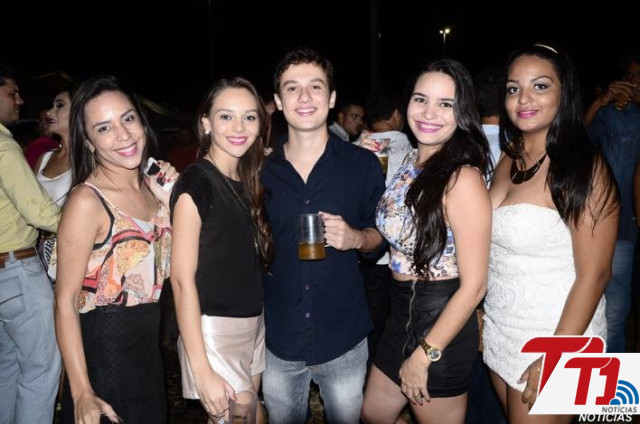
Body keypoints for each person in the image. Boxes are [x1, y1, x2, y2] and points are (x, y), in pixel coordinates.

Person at [483, 43, 619, 423]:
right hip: (502, 329)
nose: (523, 98)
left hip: (558, 337)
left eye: (540, 86)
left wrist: (557, 354)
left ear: (565, 93)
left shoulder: (583, 166)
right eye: (513, 88)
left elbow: (596, 275)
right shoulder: (510, 154)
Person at [361, 58, 492, 424]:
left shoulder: (462, 178)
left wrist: (424, 355)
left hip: (441, 325)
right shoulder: (410, 161)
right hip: (400, 314)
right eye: (421, 99)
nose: (429, 112)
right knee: (373, 414)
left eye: (445, 104)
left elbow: (475, 285)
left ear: (461, 112)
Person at [260, 47, 386, 423]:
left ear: (331, 99)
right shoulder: (260, 172)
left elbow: (381, 236)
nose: (304, 97)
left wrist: (357, 238)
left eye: (315, 86)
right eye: (292, 88)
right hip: (278, 337)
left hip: (343, 336)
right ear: (278, 101)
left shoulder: (362, 164)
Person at [51, 75, 178, 423]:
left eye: (128, 118)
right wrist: (81, 392)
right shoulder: (87, 202)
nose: (123, 134)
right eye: (104, 128)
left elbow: (173, 273)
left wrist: (172, 202)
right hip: (103, 365)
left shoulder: (154, 192)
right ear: (88, 142)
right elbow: (64, 301)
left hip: (149, 366)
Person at [170, 77, 274, 424]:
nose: (239, 127)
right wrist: (202, 370)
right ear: (206, 123)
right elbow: (181, 280)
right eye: (226, 116)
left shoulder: (248, 179)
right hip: (214, 331)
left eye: (249, 117)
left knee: (255, 416)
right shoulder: (197, 181)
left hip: (253, 323)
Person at [0, 65, 62, 424]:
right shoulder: (4, 145)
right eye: (12, 93)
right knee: (41, 371)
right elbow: (39, 212)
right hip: (17, 271)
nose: (20, 100)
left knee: (7, 368)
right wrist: (88, 225)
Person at [585, 48, 640, 353]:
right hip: (613, 225)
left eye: (638, 77)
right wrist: (599, 102)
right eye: (629, 76)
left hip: (628, 225)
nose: (632, 82)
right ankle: (606, 376)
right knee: (610, 311)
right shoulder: (614, 116)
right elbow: (573, 143)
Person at [356, 89, 413, 368]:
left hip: (365, 253)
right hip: (404, 260)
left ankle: (370, 373)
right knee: (400, 323)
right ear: (397, 115)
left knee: (371, 322)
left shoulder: (354, 149)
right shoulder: (414, 152)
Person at [34, 86, 75, 206]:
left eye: (60, 105)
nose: (49, 112)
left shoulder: (91, 160)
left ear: (78, 112)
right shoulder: (45, 158)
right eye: (53, 106)